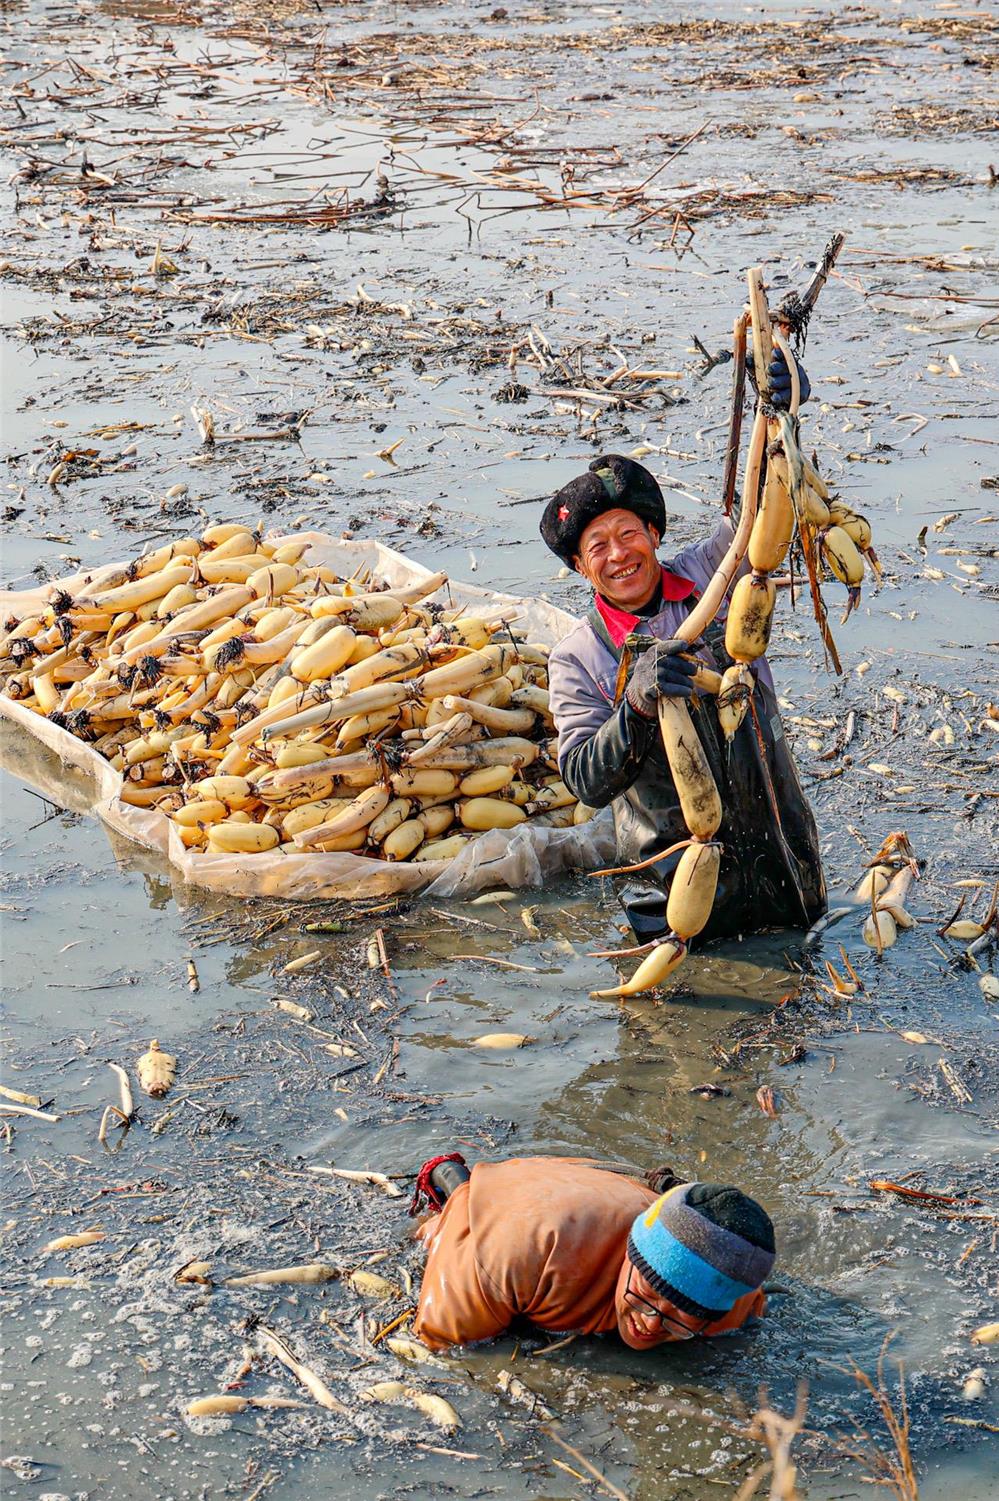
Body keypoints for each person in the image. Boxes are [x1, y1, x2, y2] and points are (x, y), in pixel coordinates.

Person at [540, 348, 826, 945]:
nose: (618, 555)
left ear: (654, 534)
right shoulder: (578, 658)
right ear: (578, 565)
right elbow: (586, 781)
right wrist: (637, 704)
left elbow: (782, 508)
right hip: (674, 902)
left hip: (785, 872)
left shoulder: (718, 571)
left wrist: (786, 416)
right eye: (598, 546)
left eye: (628, 533)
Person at [411, 1154, 775, 1353]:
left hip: (604, 1194)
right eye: (646, 1295)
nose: (650, 1324)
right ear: (630, 1254)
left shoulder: (735, 1297)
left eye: (681, 1318)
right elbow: (438, 1343)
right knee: (434, 1234)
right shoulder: (520, 1256)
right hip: (525, 1209)